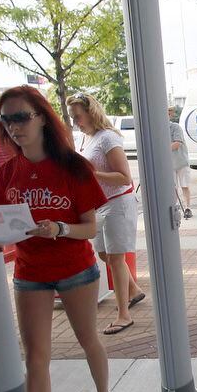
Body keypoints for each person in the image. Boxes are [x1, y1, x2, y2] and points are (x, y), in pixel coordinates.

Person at [0, 86, 116, 392]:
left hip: (75, 267)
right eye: (7, 120)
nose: (14, 127)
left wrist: (58, 228)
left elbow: (90, 228)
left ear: (42, 117)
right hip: (29, 272)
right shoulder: (7, 173)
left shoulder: (74, 168)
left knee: (87, 338)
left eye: (21, 117)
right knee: (36, 357)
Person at [66, 93, 145, 335]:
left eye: (77, 116)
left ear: (91, 113)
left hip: (118, 202)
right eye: (72, 117)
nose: (75, 121)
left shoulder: (108, 138)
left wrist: (92, 174)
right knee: (105, 254)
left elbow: (124, 177)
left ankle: (124, 314)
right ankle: (133, 290)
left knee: (116, 257)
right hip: (99, 204)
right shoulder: (84, 138)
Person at [169, 107, 193, 219]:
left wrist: (160, 148)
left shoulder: (175, 127)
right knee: (172, 188)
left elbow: (177, 144)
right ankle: (175, 208)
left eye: (169, 113)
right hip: (169, 164)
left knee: (184, 186)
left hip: (181, 161)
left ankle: (188, 208)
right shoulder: (159, 128)